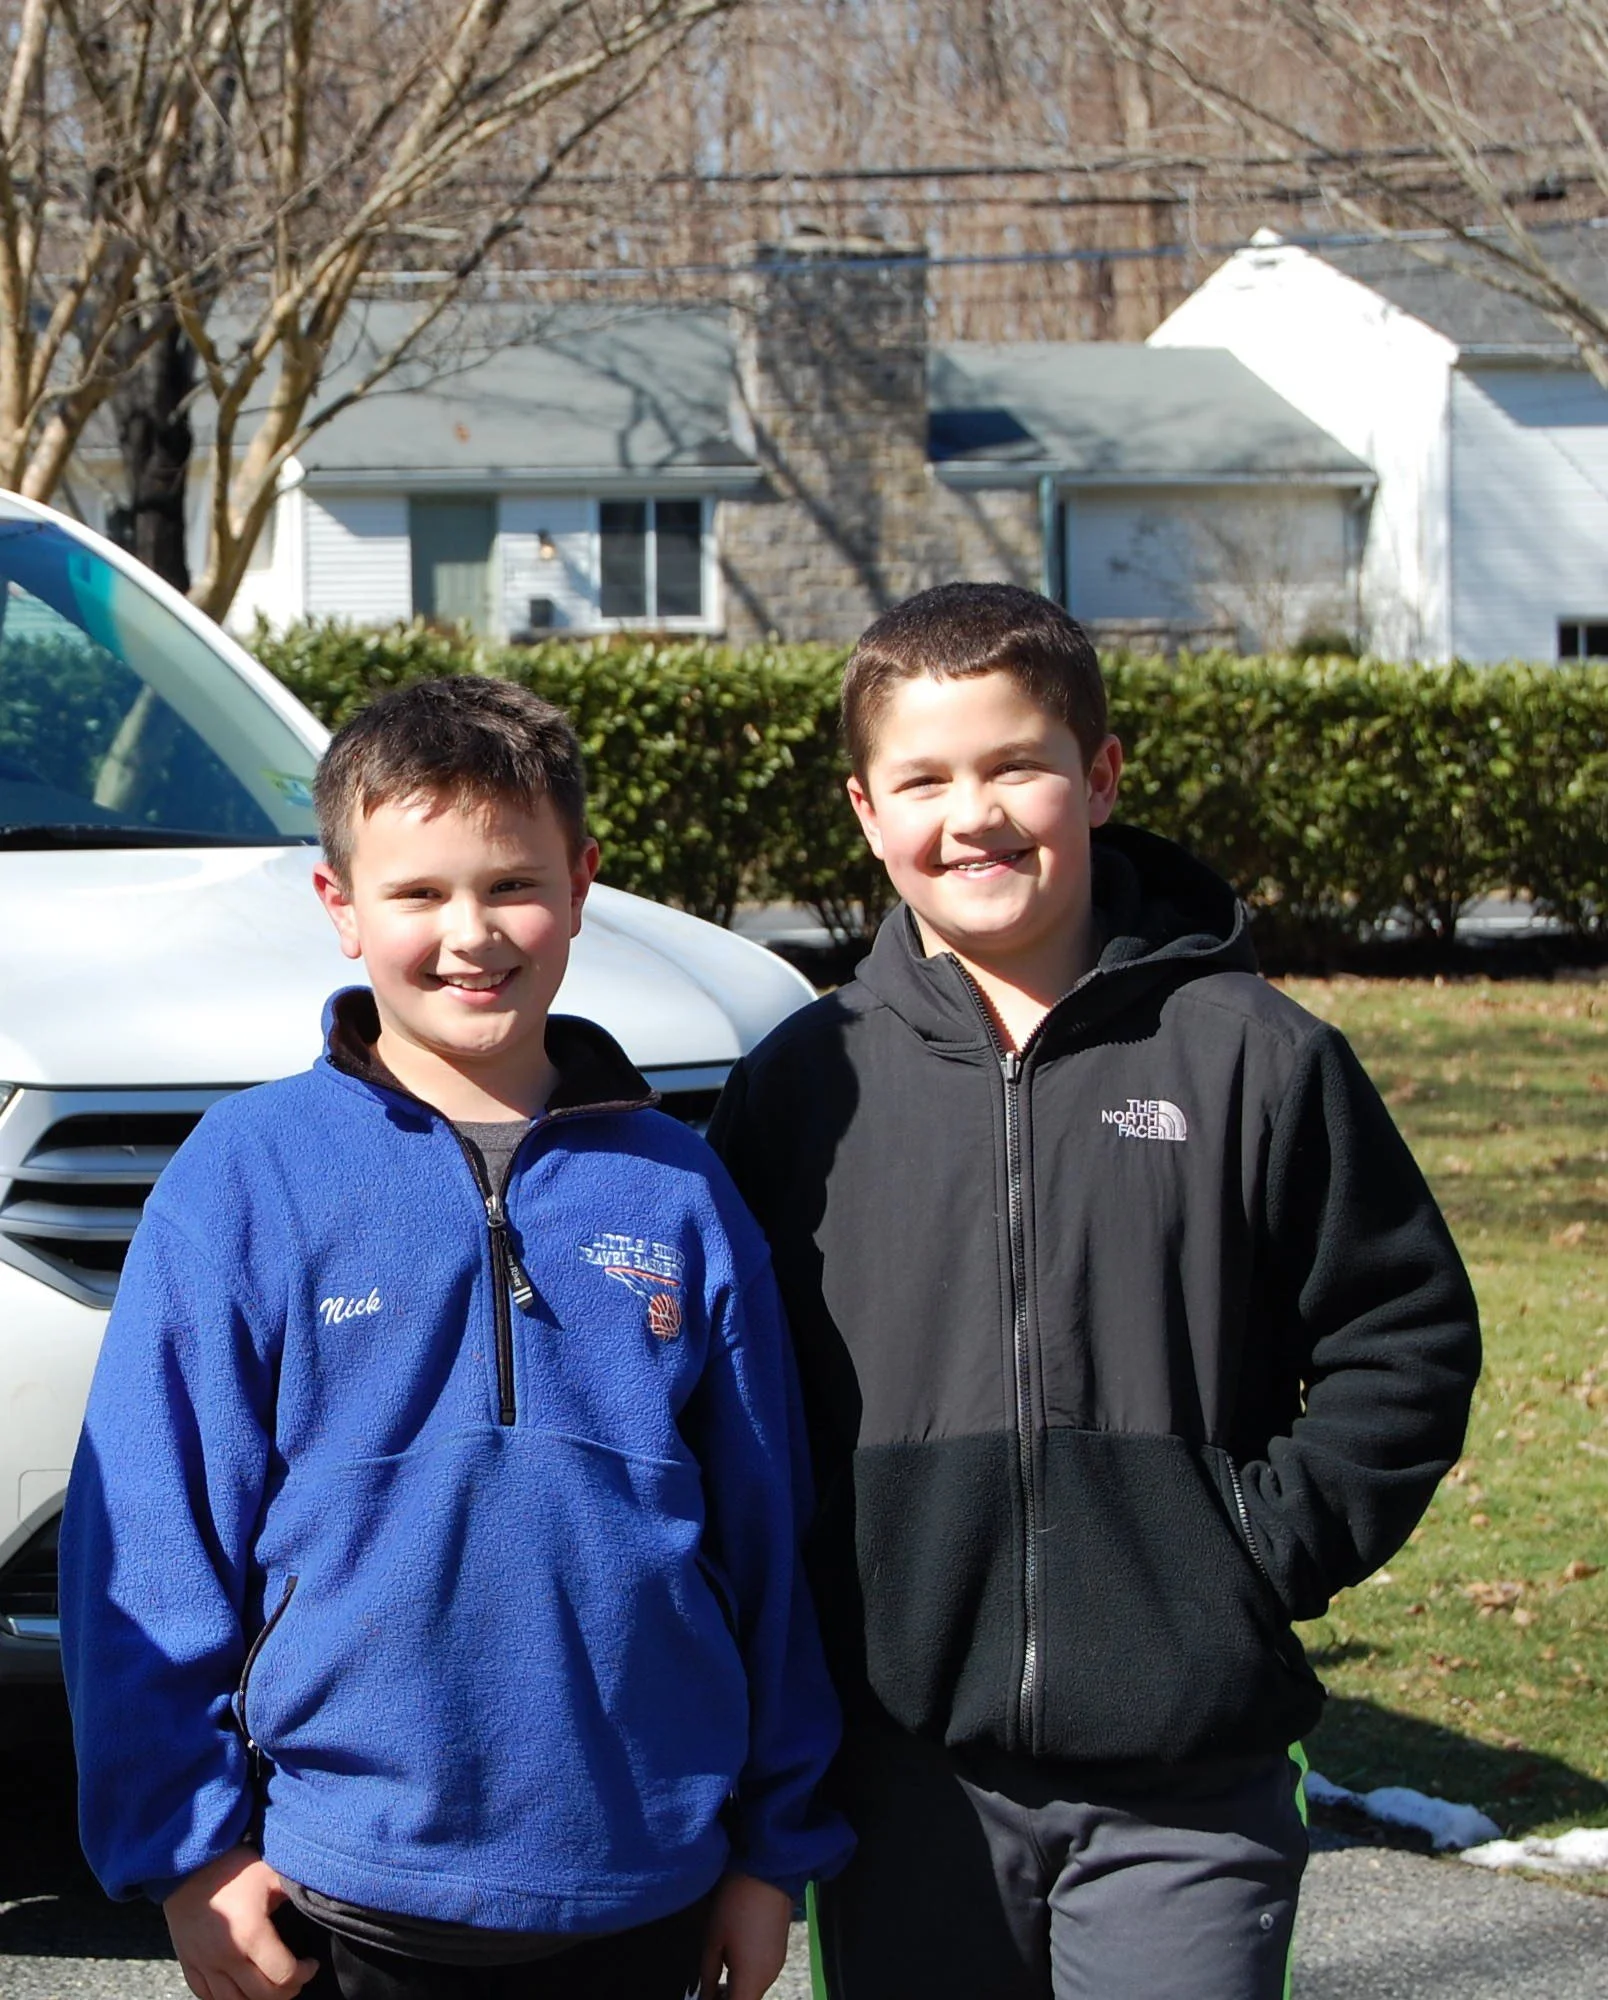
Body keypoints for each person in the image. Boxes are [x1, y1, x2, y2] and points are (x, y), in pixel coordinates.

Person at [708, 582, 1480, 2000]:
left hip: (1191, 1776)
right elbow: (731, 1396)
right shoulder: (804, 1089)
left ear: (1102, 776)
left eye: (1018, 766)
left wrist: (1254, 1551)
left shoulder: (1254, 1057)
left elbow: (1402, 1336)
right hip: (902, 1774)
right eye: (924, 781)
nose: (974, 816)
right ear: (866, 812)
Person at [61, 675, 851, 2000]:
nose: (470, 933)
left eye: (512, 885)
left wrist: (774, 1852)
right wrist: (189, 1855)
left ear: (582, 884)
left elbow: (772, 1539)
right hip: (343, 1892)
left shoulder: (679, 1190)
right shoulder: (247, 1176)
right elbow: (149, 1535)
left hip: (645, 1888)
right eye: (419, 893)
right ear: (341, 906)